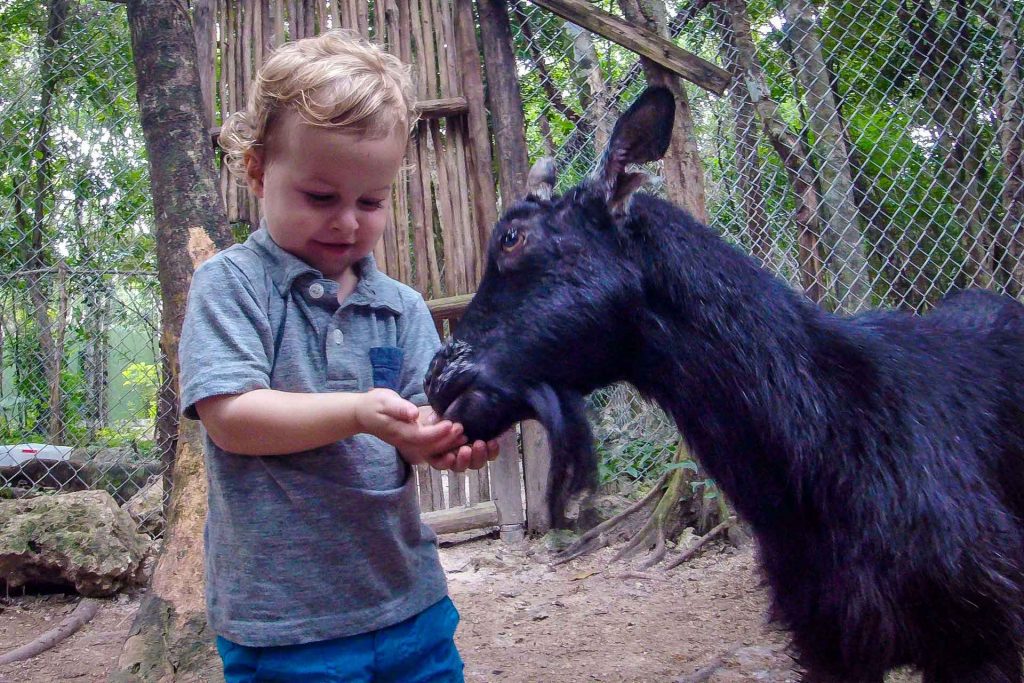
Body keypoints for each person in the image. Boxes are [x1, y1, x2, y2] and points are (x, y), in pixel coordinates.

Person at [178, 29, 498, 682]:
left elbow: (409, 427)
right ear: (258, 170)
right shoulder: (232, 286)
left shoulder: (402, 307)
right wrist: (355, 411)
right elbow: (230, 417)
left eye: (371, 202)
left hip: (410, 603)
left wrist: (439, 437)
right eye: (322, 198)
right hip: (285, 627)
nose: (348, 222)